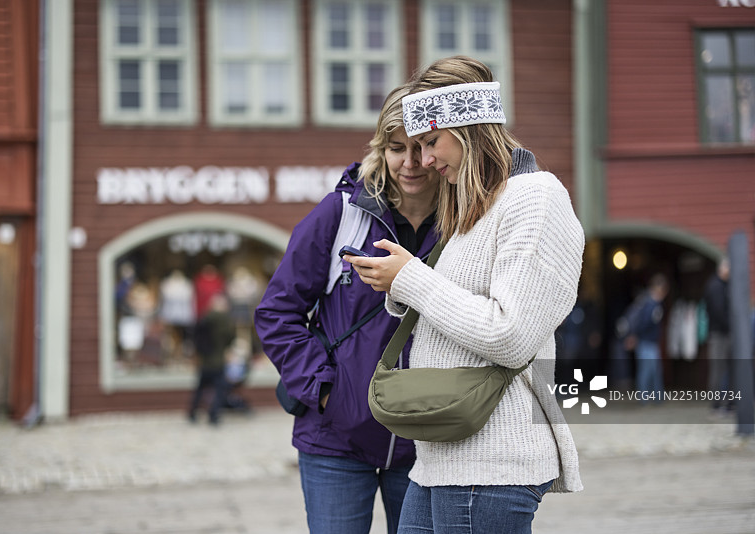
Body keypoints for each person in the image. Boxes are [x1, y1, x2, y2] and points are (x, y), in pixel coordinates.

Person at [346, 56, 585, 534]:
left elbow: (510, 335)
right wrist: (400, 283)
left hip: (492, 460)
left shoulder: (535, 198)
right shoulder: (475, 206)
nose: (425, 161)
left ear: (468, 129)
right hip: (442, 456)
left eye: (430, 142)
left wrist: (412, 279)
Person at [253, 85, 440, 534]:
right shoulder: (342, 213)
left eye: (421, 147)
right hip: (336, 439)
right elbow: (277, 312)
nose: (410, 163)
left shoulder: (463, 222)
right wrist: (326, 392)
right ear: (381, 149)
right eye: (397, 148)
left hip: (428, 441)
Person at [188, 293, 236, 425]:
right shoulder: (225, 320)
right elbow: (230, 338)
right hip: (218, 360)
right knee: (219, 390)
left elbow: (195, 337)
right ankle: (213, 415)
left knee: (200, 388)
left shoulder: (204, 318)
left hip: (205, 360)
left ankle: (192, 413)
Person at [623, 273, 670, 403]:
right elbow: (644, 323)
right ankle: (649, 398)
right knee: (649, 370)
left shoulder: (645, 302)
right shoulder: (651, 305)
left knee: (650, 370)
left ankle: (653, 397)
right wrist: (636, 336)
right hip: (647, 341)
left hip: (647, 341)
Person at [704, 257, 734, 414]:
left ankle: (727, 402)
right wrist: (731, 326)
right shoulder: (715, 286)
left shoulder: (725, 285)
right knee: (718, 369)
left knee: (727, 368)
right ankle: (716, 404)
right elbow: (718, 311)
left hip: (724, 333)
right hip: (718, 334)